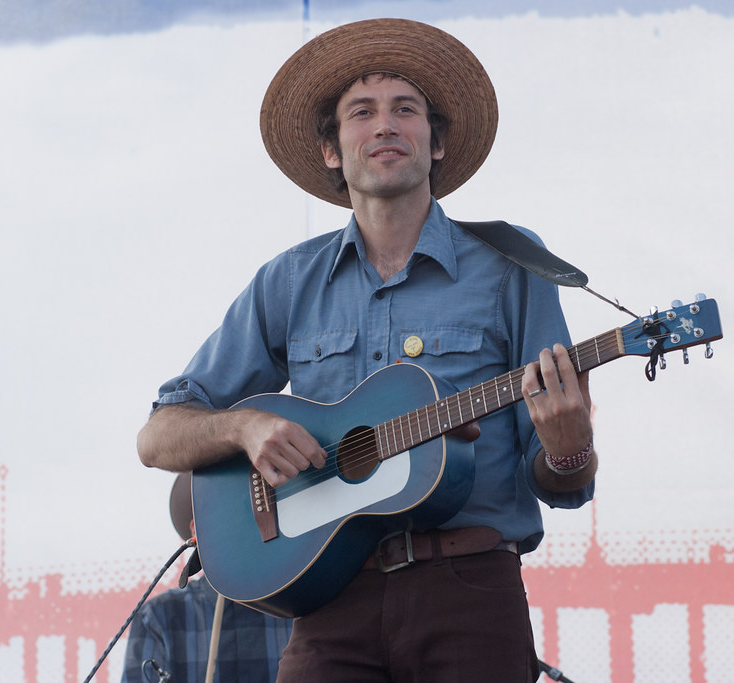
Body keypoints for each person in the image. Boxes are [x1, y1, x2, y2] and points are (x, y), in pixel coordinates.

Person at [137, 18, 598, 682]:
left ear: (435, 143)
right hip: (329, 600)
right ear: (332, 150)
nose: (385, 125)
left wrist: (570, 444)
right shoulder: (288, 281)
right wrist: (246, 425)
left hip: (469, 590)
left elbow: (561, 481)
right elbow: (157, 437)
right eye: (362, 112)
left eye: (405, 109)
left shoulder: (510, 264)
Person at [121, 473, 292, 683]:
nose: (239, 522)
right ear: (196, 531)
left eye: (252, 508)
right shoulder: (158, 618)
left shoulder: (298, 608)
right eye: (223, 511)